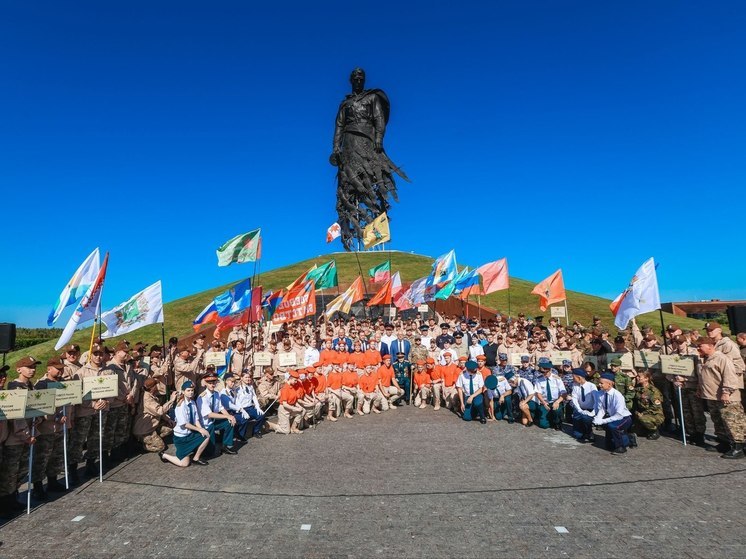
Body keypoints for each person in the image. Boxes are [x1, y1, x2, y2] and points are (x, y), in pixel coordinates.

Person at [694, 337, 745, 459]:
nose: (698, 348)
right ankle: (724, 443)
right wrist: (700, 388)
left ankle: (739, 447)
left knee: (733, 422)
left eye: (700, 346)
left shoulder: (721, 358)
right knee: (718, 421)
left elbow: (730, 376)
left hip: (726, 397)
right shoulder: (704, 359)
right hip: (712, 396)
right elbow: (704, 376)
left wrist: (726, 391)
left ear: (710, 346)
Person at [160, 381, 211, 467]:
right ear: (183, 392)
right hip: (181, 437)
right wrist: (199, 429)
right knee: (184, 464)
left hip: (190, 434)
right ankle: (164, 455)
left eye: (192, 390)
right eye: (188, 390)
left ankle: (196, 458)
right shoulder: (180, 406)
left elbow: (196, 420)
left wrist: (201, 429)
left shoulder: (193, 403)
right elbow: (185, 424)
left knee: (206, 435)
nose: (191, 392)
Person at [197, 372, 237, 455]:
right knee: (210, 453)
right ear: (205, 383)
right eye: (209, 383)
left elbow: (221, 407)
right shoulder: (202, 397)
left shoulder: (216, 393)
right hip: (206, 425)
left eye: (213, 382)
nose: (212, 385)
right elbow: (209, 414)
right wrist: (226, 416)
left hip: (214, 421)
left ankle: (225, 446)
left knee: (229, 422)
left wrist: (229, 416)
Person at [132, 377, 176, 453]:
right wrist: (171, 400)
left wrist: (168, 419)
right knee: (160, 447)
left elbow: (159, 411)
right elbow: (159, 411)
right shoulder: (147, 399)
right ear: (153, 388)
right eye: (156, 385)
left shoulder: (150, 395)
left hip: (152, 426)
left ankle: (154, 438)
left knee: (169, 427)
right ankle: (142, 445)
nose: (158, 386)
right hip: (144, 431)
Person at [593, 372, 633, 455]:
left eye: (601, 383)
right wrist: (598, 418)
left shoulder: (617, 395)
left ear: (610, 384)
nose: (599, 385)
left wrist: (603, 421)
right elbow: (602, 408)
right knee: (608, 445)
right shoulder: (601, 393)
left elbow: (619, 415)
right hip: (613, 417)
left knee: (613, 426)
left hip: (624, 418)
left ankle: (621, 447)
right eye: (599, 383)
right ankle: (623, 439)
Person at [531, 358, 566, 430]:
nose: (544, 374)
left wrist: (557, 402)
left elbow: (564, 393)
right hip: (545, 402)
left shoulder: (557, 379)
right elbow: (538, 393)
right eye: (543, 372)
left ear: (550, 370)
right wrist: (543, 402)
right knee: (543, 425)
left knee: (557, 411)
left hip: (555, 401)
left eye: (546, 372)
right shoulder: (539, 379)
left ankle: (557, 422)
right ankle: (550, 418)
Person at [633, 370, 665, 440]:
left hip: (654, 414)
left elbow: (656, 407)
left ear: (646, 378)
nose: (637, 378)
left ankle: (654, 430)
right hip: (642, 412)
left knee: (643, 418)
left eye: (639, 376)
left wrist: (642, 413)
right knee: (636, 430)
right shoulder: (638, 389)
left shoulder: (653, 391)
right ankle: (644, 428)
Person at [568, 368, 597, 443]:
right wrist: (579, 409)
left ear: (579, 377)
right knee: (577, 435)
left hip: (590, 409)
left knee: (586, 418)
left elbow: (597, 400)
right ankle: (583, 431)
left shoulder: (592, 386)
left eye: (574, 377)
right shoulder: (575, 385)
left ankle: (589, 432)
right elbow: (574, 398)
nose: (573, 379)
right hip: (579, 409)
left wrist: (593, 412)